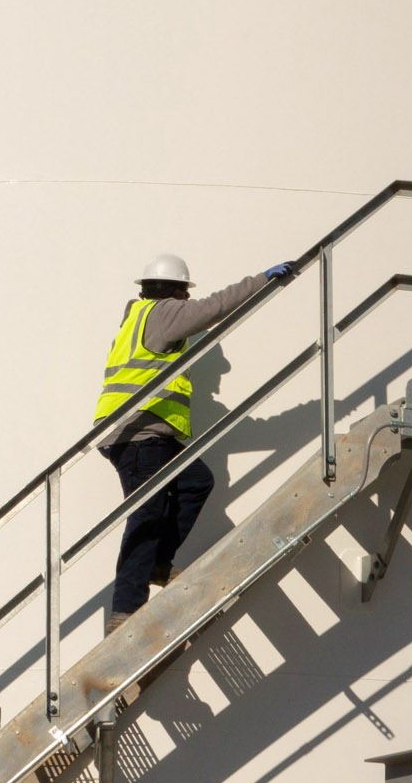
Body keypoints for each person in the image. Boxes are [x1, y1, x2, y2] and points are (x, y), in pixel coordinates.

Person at [93, 250, 295, 634]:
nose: (187, 300)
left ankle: (156, 563)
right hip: (137, 434)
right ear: (173, 290)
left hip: (147, 432)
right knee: (146, 515)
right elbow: (215, 306)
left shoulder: (140, 318)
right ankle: (125, 612)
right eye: (184, 292)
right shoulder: (164, 313)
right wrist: (263, 281)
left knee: (195, 480)